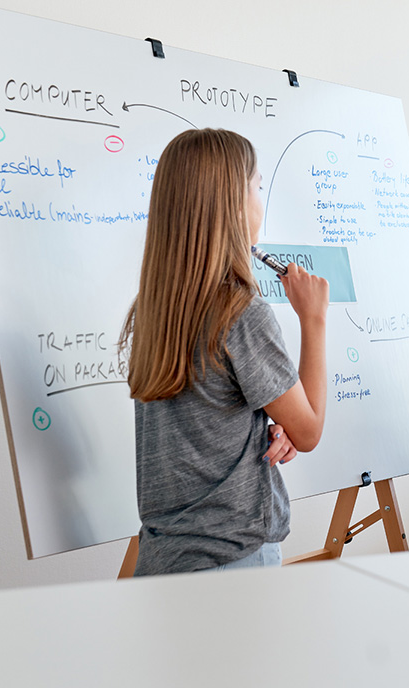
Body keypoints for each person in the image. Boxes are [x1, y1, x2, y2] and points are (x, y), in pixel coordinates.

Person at [119, 128, 329, 575]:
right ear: (232, 205)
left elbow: (208, 416)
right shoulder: (241, 313)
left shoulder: (152, 310)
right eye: (257, 187)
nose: (261, 200)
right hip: (231, 559)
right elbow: (309, 431)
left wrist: (269, 426)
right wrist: (313, 319)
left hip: (162, 558)